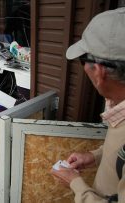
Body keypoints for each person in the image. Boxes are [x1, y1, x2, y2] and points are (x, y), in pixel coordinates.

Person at [51, 8, 125, 202]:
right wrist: (94, 156)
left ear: (100, 72)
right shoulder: (119, 107)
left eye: (83, 59)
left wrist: (76, 183)